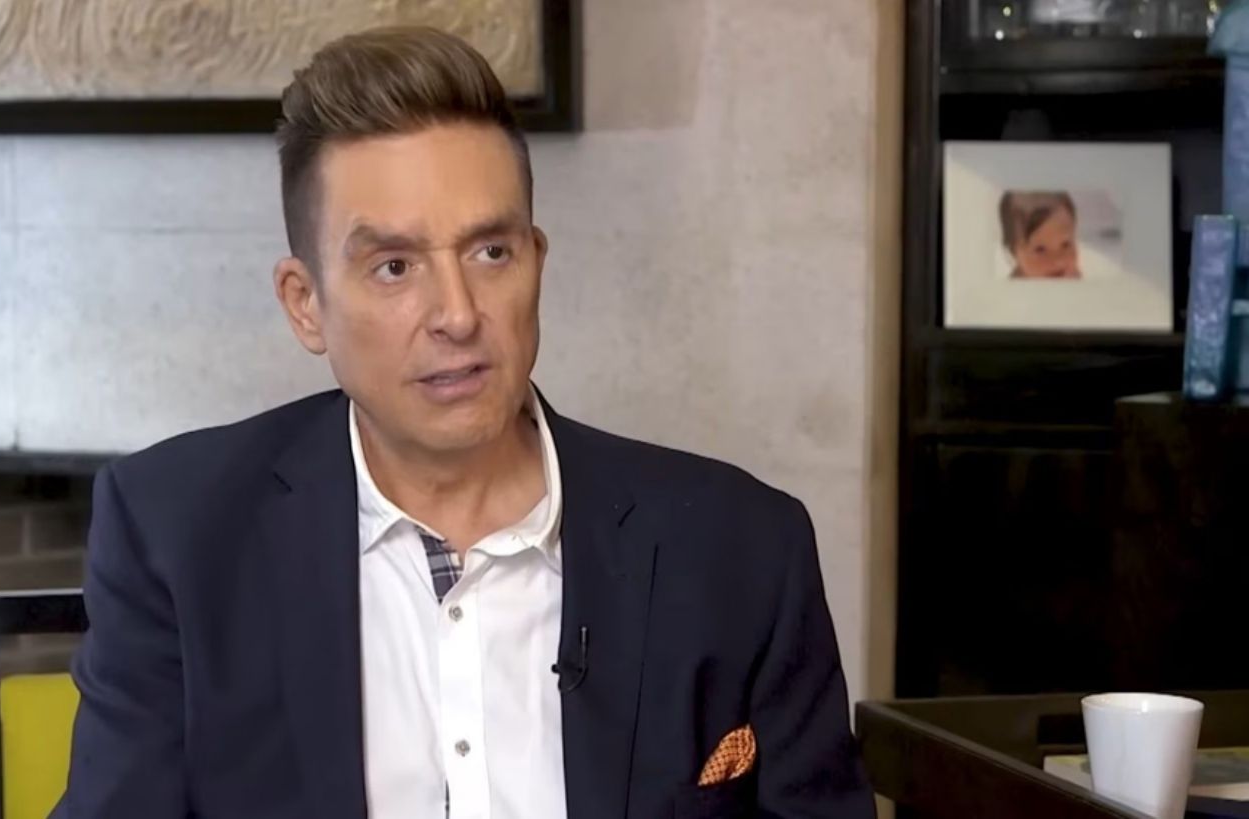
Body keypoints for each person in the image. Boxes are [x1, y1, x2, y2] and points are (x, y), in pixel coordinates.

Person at [54, 26, 874, 819]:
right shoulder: (178, 534)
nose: (456, 313)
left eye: (490, 252)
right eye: (394, 266)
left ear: (537, 262)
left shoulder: (743, 550)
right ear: (306, 305)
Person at [999, 190, 1083, 280]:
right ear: (1014, 252)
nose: (1058, 262)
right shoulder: (1012, 287)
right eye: (1040, 250)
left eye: (1066, 244)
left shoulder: (1074, 279)